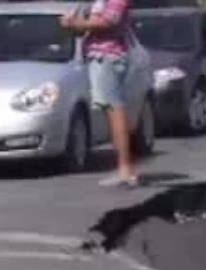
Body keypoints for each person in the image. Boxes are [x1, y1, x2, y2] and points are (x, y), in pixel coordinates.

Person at [61, 0, 138, 187]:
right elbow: (91, 26)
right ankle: (123, 168)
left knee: (115, 108)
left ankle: (125, 169)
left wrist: (78, 24)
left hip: (109, 57)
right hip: (98, 57)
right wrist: (73, 25)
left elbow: (109, 21)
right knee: (110, 108)